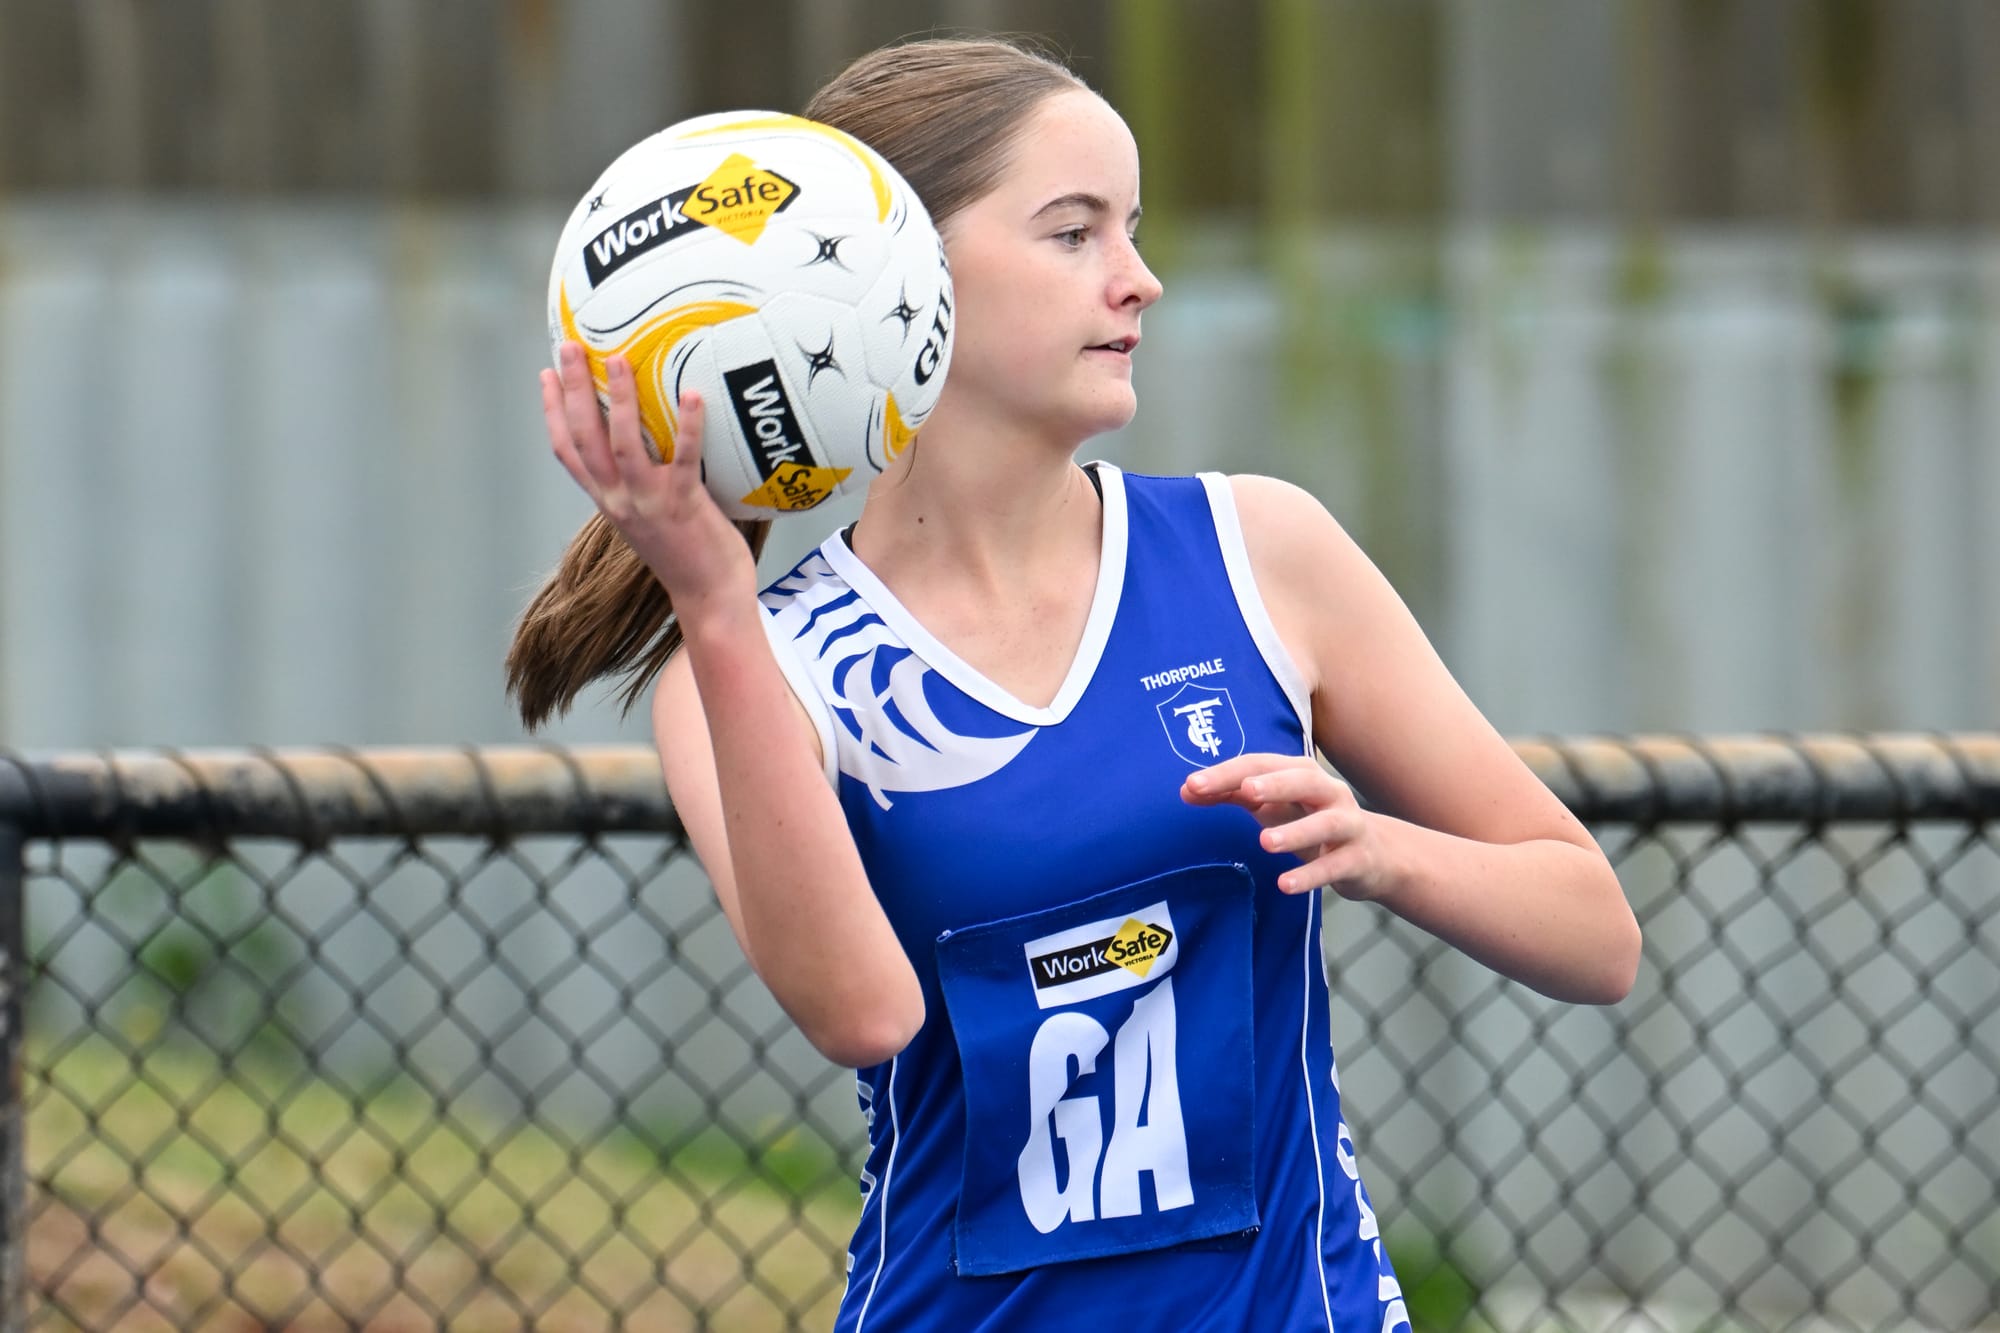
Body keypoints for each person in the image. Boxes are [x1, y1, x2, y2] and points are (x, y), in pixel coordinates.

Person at [507, 35, 1641, 1333]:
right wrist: (710, 605)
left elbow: (1596, 933)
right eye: (1074, 232)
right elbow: (863, 1010)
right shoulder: (765, 664)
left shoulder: (1260, 554)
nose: (1140, 280)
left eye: (1134, 228)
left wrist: (1380, 849)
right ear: (903, 277)